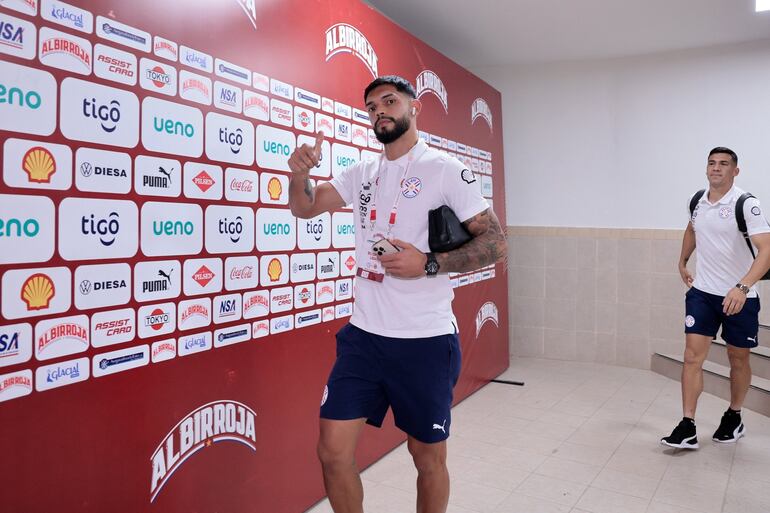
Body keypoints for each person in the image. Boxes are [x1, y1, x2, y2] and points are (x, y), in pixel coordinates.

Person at [287, 75, 507, 513]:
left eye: (389, 101)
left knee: (427, 457)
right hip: (364, 338)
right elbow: (305, 206)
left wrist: (427, 263)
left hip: (425, 341)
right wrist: (300, 174)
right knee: (332, 452)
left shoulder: (444, 169)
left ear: (413, 107)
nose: (379, 111)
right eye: (371, 106)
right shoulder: (362, 173)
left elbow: (496, 243)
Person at [661, 147, 770, 450]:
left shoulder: (747, 204)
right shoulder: (697, 201)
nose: (716, 168)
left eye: (724, 164)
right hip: (702, 295)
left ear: (735, 171)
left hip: (740, 298)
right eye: (712, 163)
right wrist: (682, 262)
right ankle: (687, 425)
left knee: (738, 358)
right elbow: (692, 229)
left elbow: (767, 250)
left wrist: (743, 287)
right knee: (691, 356)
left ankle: (734, 415)